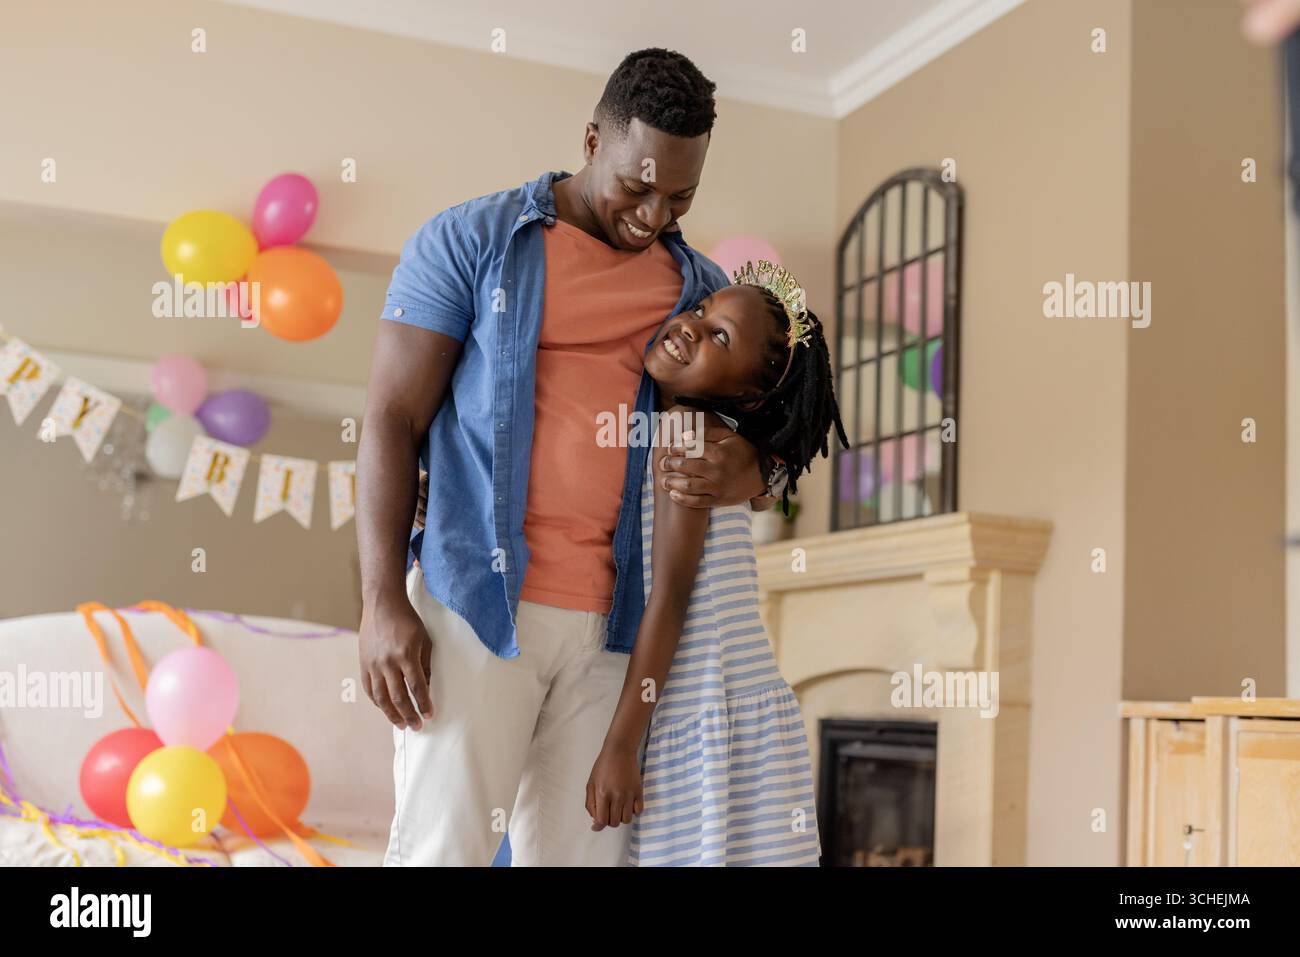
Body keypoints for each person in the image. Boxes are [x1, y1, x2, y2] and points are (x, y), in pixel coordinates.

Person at [356, 49, 785, 866]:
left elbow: (780, 421)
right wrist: (382, 601)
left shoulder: (699, 287)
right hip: (476, 605)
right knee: (441, 852)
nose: (655, 213)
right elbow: (390, 416)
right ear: (593, 139)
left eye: (681, 196)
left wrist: (758, 468)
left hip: (613, 631)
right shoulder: (474, 239)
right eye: (638, 187)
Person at [584, 261, 846, 866]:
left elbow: (670, 600)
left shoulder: (689, 437)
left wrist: (621, 746)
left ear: (748, 395)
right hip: (715, 705)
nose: (693, 327)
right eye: (702, 312)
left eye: (721, 336)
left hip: (701, 703)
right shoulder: (704, 433)